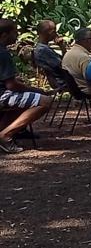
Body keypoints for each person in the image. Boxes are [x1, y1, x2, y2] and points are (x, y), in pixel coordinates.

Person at [0, 19, 53, 154]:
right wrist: (35, 89)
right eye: (15, 32)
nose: (17, 35)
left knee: (24, 100)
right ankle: (6, 135)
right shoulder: (2, 53)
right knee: (44, 101)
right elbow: (11, 85)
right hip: (2, 95)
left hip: (4, 92)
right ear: (4, 35)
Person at [63, 27, 91, 94]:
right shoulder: (83, 57)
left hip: (74, 89)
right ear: (88, 40)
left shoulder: (68, 53)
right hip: (86, 90)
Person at [32, 19, 66, 90]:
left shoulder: (41, 48)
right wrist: (62, 47)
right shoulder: (43, 50)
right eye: (54, 31)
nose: (56, 34)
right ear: (50, 33)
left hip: (60, 80)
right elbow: (64, 65)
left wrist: (61, 47)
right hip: (64, 81)